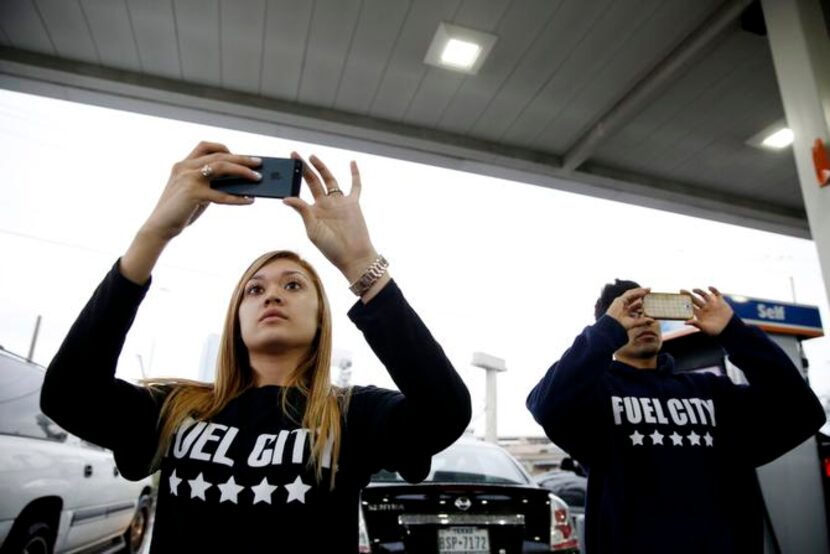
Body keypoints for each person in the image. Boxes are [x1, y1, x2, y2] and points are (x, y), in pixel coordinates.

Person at [41, 142, 472, 553]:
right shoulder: (177, 407)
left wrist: (361, 264)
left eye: (293, 285)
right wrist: (153, 234)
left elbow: (446, 412)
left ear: (322, 318)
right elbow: (68, 395)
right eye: (254, 289)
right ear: (236, 319)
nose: (272, 295)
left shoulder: (351, 413)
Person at [526, 280, 825, 554]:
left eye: (652, 313)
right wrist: (605, 331)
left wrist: (734, 331)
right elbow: (544, 405)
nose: (645, 320)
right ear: (613, 324)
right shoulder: (595, 398)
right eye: (632, 314)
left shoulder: (713, 391)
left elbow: (802, 412)